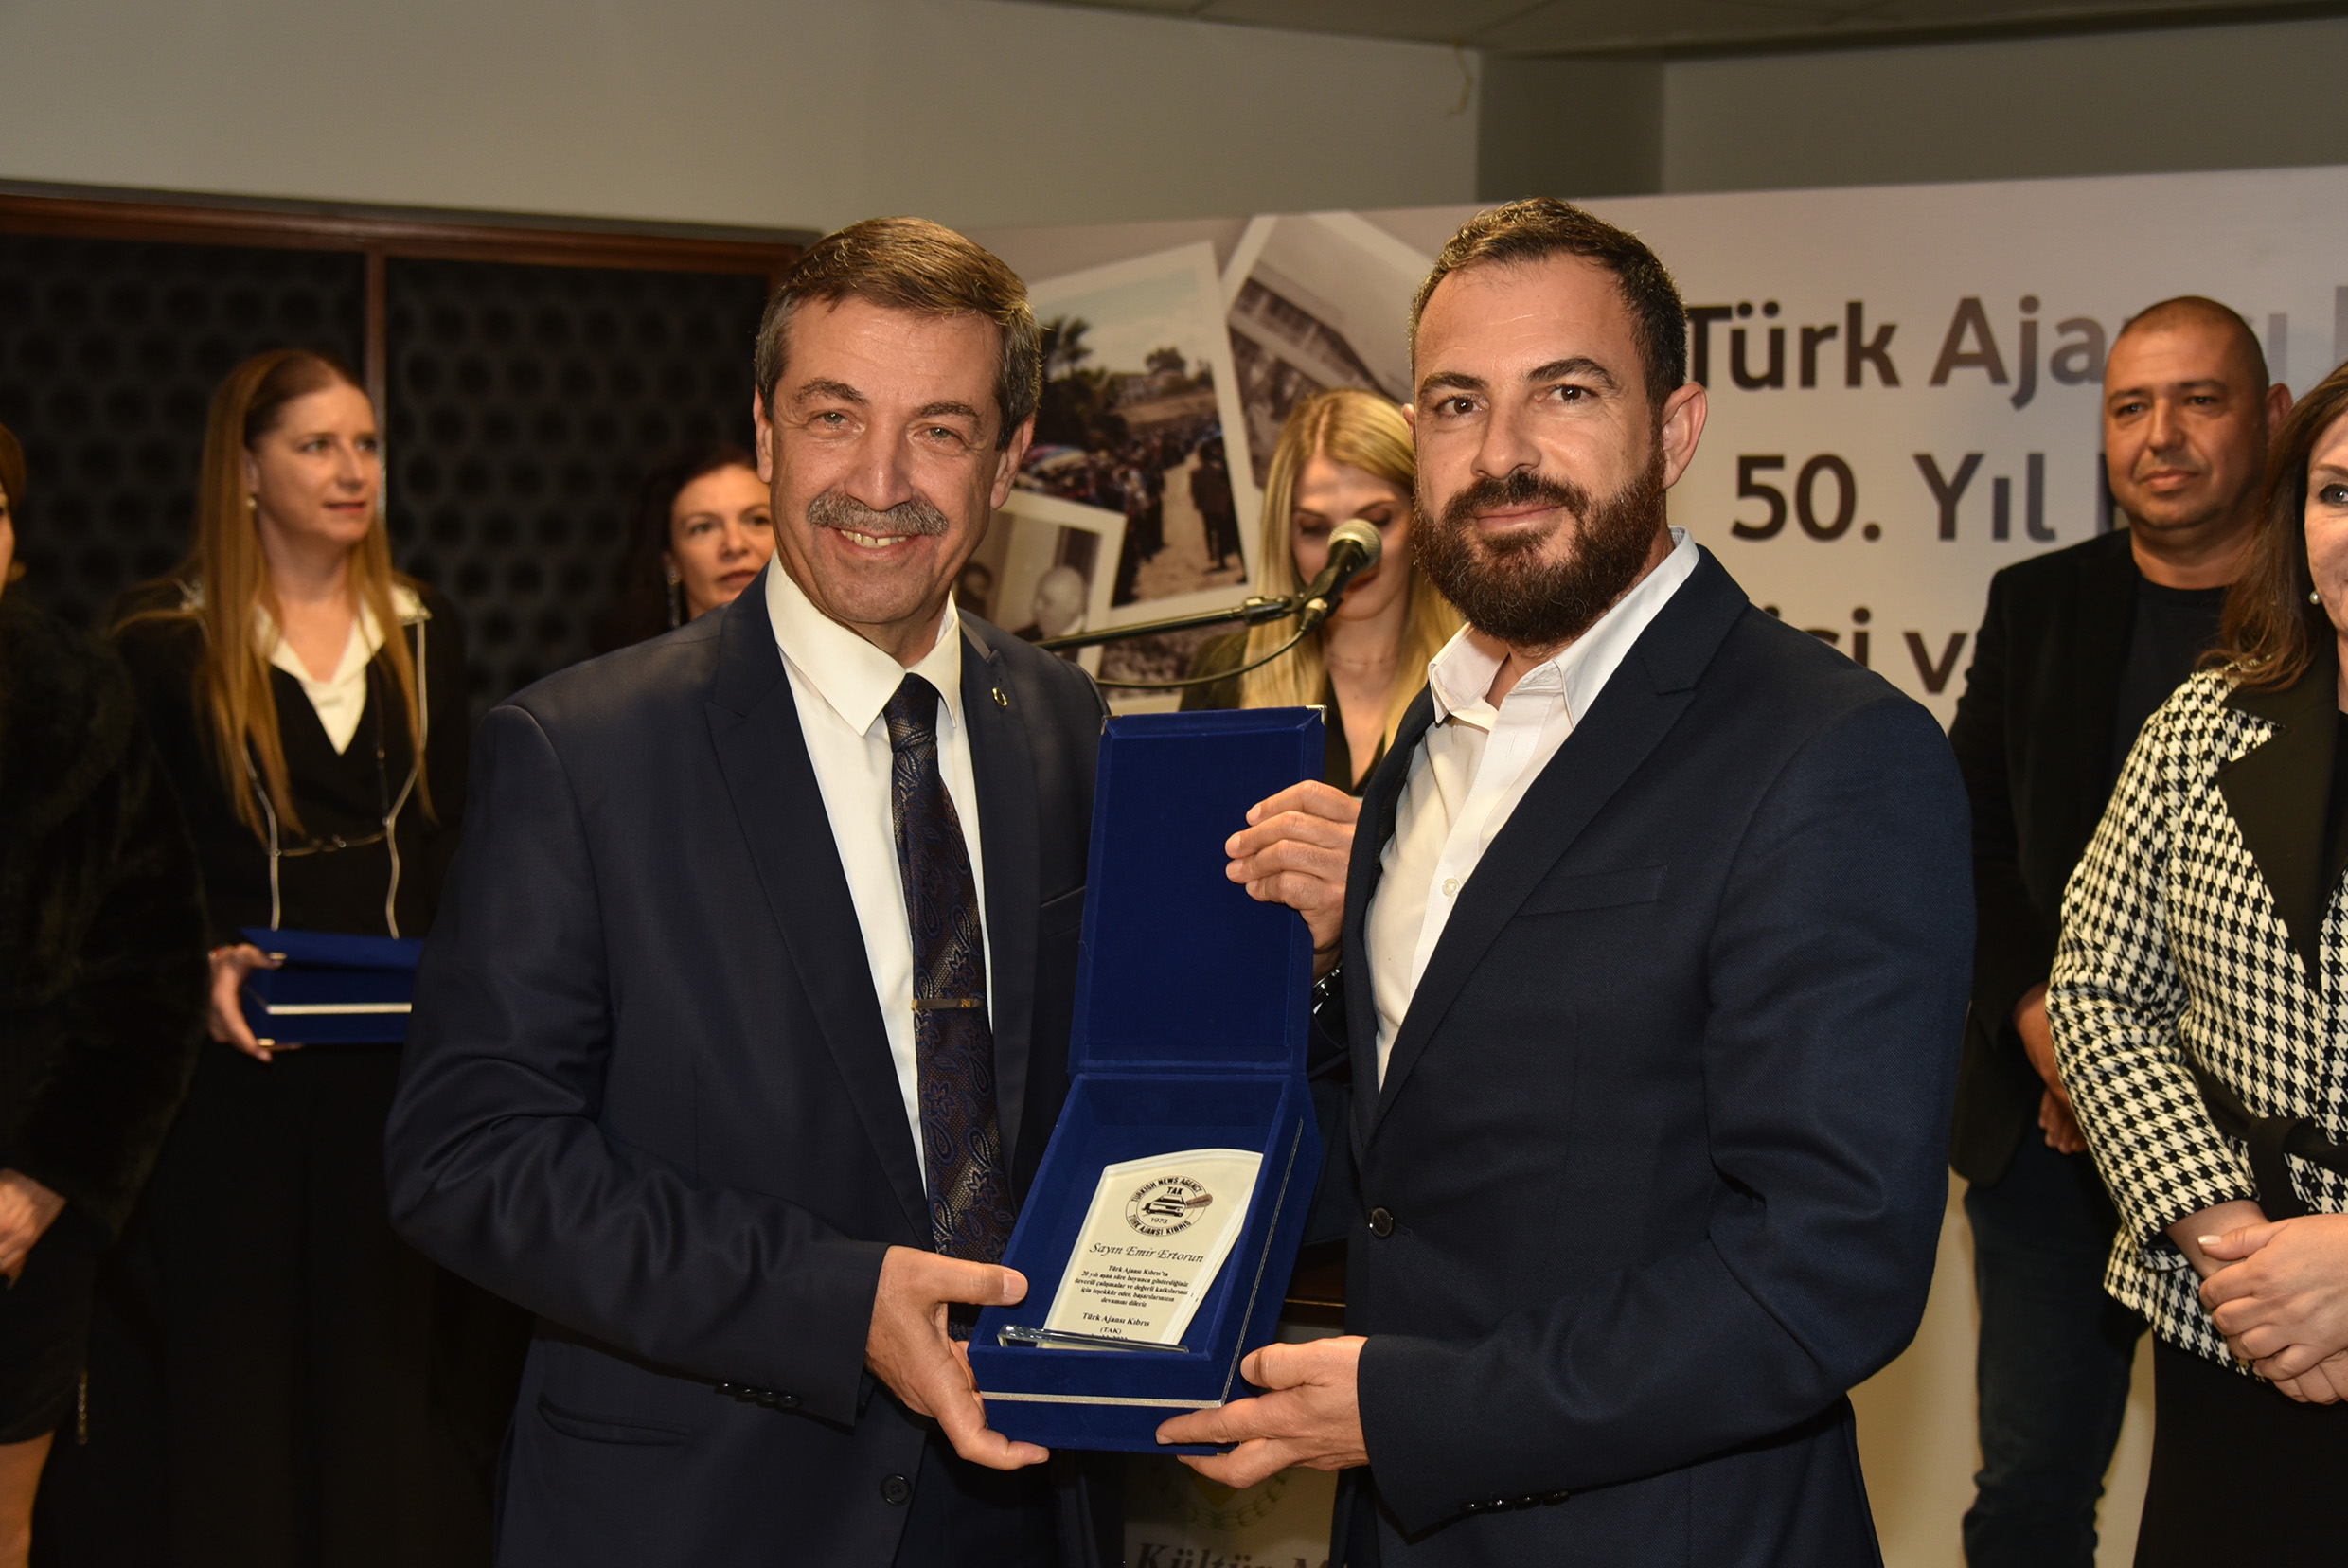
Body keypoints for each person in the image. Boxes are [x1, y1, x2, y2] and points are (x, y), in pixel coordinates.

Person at [1156, 197, 1973, 1565]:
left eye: (1567, 393)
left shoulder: (1831, 753)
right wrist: (1114, 1232)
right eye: (1457, 404)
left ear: (1676, 429)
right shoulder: (1434, 730)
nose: (1502, 454)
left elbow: (1829, 1266)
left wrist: (1414, 1410)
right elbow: (1404, 1143)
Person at [384, 217, 1118, 1568]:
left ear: (1010, 459)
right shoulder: (579, 753)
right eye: (835, 417)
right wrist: (833, 1303)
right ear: (767, 434)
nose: (880, 481)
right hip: (698, 1512)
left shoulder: (1066, 722)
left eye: (940, 430)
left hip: (1016, 1505)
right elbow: (468, 1158)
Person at [109, 349, 489, 1566]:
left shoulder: (423, 632)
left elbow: (455, 844)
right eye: (317, 445)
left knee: (381, 1381)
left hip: (398, 1070)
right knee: (232, 1389)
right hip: (233, 1076)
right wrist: (195, 965)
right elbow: (124, 872)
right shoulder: (162, 644)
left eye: (365, 444)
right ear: (246, 470)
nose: (351, 469)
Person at [1946, 296, 2289, 1567]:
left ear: (2272, 418)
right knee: (2027, 1498)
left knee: (2251, 1498)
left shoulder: (2316, 619)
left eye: (2198, 400)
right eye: (2130, 406)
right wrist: (2058, 1046)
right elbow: (1971, 848)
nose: (2161, 436)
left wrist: (2147, 1082)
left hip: (2267, 1156)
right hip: (2050, 1148)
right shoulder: (2039, 603)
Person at [2050, 359, 2348, 1568]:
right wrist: (2237, 1255)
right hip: (2230, 1324)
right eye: (2335, 493)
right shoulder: (2202, 721)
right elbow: (2096, 989)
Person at [0, 424, 207, 1567]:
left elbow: (153, 970)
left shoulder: (76, 694)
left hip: (19, 1211)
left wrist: (44, 1183)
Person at [1181, 389, 1460, 793]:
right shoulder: (1225, 675)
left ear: (1422, 518)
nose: (1346, 555)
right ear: (1285, 537)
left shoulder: (1480, 677)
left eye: (1375, 522)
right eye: (1314, 529)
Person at [592, 441, 775, 650]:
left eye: (758, 520)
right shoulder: (633, 670)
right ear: (671, 561)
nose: (734, 545)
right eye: (703, 528)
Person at [1012, 563, 1087, 643]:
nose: (1035, 608)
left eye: (1047, 601)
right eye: (1036, 600)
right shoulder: (1020, 639)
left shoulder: (1091, 643)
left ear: (1073, 605)